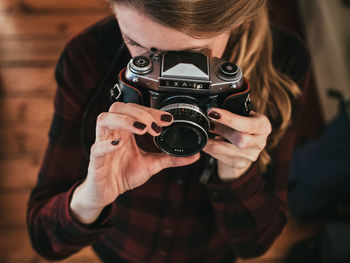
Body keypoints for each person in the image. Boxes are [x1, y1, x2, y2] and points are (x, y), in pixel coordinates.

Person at [26, 0, 322, 262]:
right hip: (119, 249)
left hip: (209, 255)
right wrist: (92, 196)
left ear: (237, 21)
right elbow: (45, 238)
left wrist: (238, 172)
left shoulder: (284, 60)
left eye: (191, 58)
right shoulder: (87, 56)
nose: (166, 75)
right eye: (140, 51)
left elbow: (255, 244)